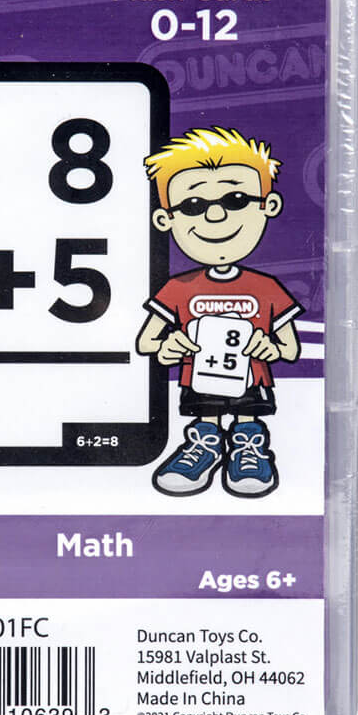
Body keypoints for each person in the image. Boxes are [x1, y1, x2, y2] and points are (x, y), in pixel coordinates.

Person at [136, 128, 301, 497]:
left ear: (268, 206)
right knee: (205, 419)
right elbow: (147, 342)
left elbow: (290, 348)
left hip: (251, 380)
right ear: (165, 220)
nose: (215, 215)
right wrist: (168, 347)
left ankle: (248, 450)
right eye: (192, 205)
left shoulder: (266, 287)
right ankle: (204, 448)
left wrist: (270, 348)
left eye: (236, 199)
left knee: (248, 419)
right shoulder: (179, 288)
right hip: (200, 379)